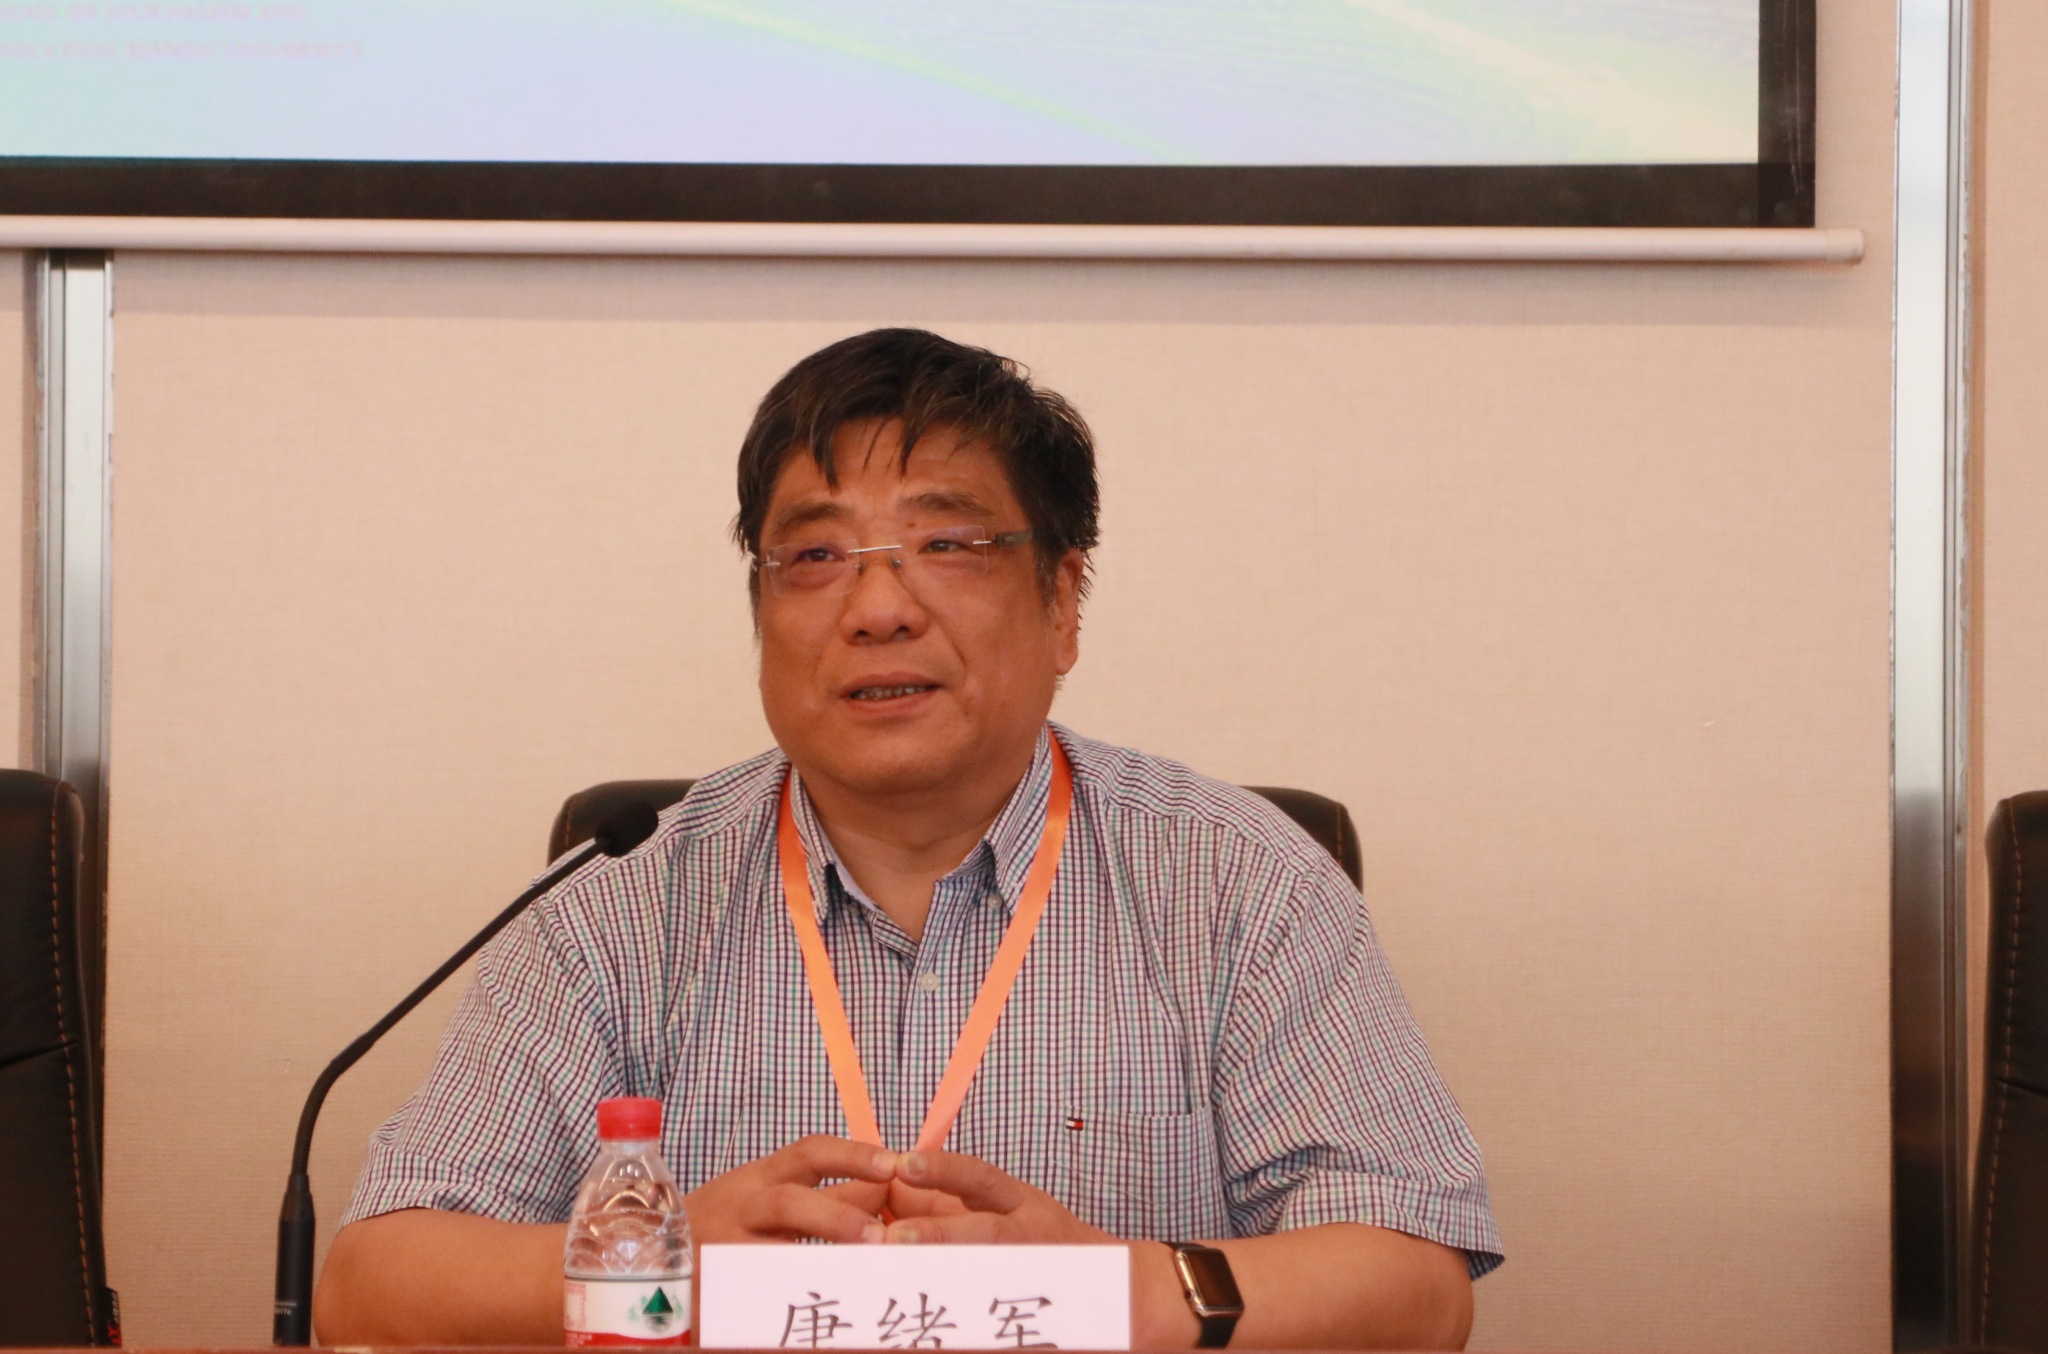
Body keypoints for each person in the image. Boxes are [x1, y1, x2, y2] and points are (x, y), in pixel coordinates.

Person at [315, 328, 1502, 1348]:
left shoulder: (1239, 883)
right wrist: (658, 1270)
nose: (877, 608)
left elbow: (1416, 1284)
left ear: (1062, 600)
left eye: (946, 544)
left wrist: (1122, 1293)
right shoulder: (622, 903)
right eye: (815, 556)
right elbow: (371, 1282)